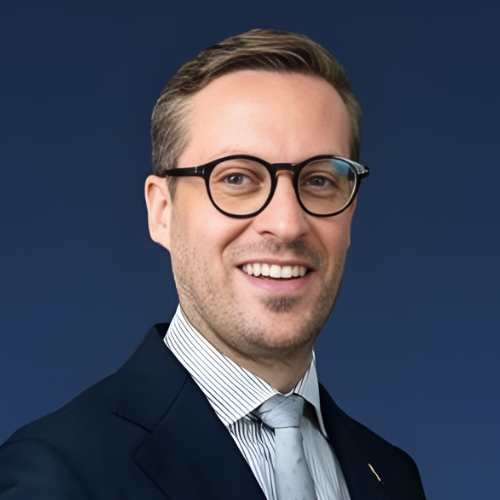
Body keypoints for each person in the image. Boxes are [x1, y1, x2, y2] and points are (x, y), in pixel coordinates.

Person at [0, 29, 427, 500]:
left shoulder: (393, 477)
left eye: (319, 180)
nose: (287, 224)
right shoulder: (56, 475)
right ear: (162, 211)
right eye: (237, 178)